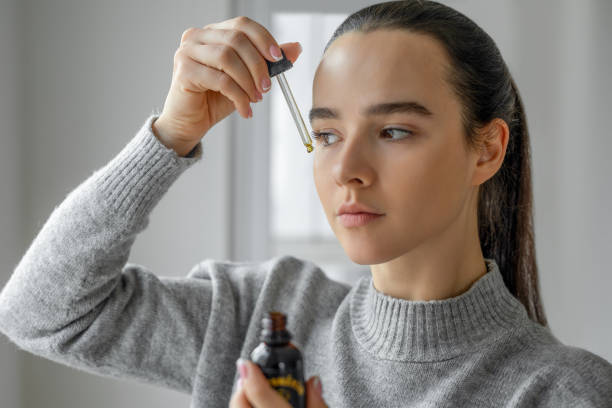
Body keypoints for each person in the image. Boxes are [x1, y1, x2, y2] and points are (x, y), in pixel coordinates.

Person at [1, 1, 611, 407]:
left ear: (486, 149)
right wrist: (170, 134)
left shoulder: (562, 391)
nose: (346, 170)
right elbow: (37, 313)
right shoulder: (266, 318)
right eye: (325, 135)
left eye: (394, 130)